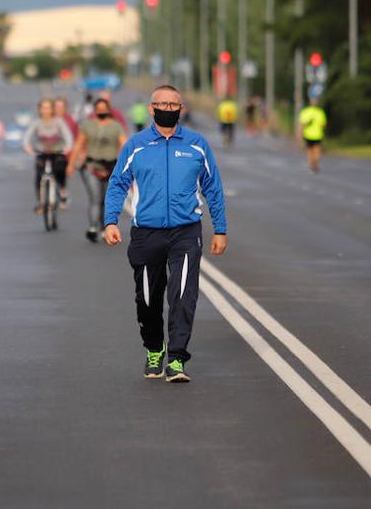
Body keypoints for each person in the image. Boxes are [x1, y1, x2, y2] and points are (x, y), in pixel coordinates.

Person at [103, 85, 227, 384]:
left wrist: (220, 229)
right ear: (151, 108)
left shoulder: (196, 144)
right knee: (148, 298)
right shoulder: (137, 145)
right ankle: (155, 348)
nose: (168, 109)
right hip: (147, 233)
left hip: (186, 232)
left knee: (183, 295)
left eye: (174, 105)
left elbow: (213, 187)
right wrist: (110, 221)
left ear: (181, 108)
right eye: (162, 104)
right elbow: (118, 182)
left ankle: (177, 358)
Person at [68, 97, 125, 242]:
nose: (101, 112)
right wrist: (71, 165)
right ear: (95, 111)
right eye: (98, 109)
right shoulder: (88, 126)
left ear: (109, 110)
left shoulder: (116, 126)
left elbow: (125, 146)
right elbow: (78, 145)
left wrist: (128, 165)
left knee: (107, 199)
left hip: (111, 166)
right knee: (95, 197)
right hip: (92, 166)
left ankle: (104, 226)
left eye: (104, 109)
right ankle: (93, 227)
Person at [22, 98, 74, 213]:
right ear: (39, 110)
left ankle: (62, 192)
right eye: (43, 108)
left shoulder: (59, 121)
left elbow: (68, 136)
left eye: (48, 108)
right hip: (42, 152)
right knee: (39, 175)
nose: (45, 111)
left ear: (52, 110)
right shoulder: (37, 122)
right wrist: (28, 147)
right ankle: (41, 202)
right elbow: (27, 137)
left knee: (60, 168)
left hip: (57, 152)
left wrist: (67, 148)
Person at [297, 97, 327, 173]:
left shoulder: (306, 112)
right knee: (317, 150)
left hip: (308, 135)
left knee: (310, 151)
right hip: (318, 134)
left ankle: (311, 164)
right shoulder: (320, 112)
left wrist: (299, 134)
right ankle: (315, 163)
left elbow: (302, 124)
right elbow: (323, 125)